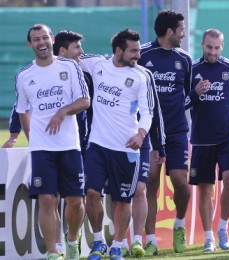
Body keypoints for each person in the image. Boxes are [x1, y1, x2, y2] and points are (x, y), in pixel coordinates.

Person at [15, 24, 90, 260]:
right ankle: (53, 252)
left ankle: (71, 240)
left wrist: (63, 111)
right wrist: (32, 136)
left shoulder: (69, 66)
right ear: (30, 45)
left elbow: (84, 100)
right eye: (36, 39)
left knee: (75, 201)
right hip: (41, 148)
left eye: (44, 37)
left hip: (69, 145)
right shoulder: (24, 75)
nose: (41, 42)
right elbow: (22, 110)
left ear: (52, 39)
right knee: (47, 199)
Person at [81, 28, 154, 260]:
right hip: (97, 144)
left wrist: (141, 135)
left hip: (127, 148)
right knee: (92, 193)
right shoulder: (97, 65)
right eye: (133, 51)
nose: (138, 55)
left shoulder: (141, 77)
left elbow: (148, 112)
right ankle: (99, 242)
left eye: (139, 50)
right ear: (118, 50)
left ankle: (118, 245)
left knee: (123, 200)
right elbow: (71, 57)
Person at [137, 9, 192, 254]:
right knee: (150, 182)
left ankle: (178, 225)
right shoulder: (143, 56)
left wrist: (197, 95)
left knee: (181, 183)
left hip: (177, 131)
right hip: (149, 132)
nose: (183, 34)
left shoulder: (185, 59)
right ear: (170, 31)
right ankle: (150, 239)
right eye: (181, 29)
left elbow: (188, 96)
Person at [186, 29, 229, 253]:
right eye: (209, 47)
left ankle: (223, 227)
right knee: (205, 189)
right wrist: (195, 92)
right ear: (202, 45)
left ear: (223, 46)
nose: (213, 52)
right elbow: (181, 103)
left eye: (217, 48)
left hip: (228, 136)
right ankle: (209, 237)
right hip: (201, 139)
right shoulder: (192, 70)